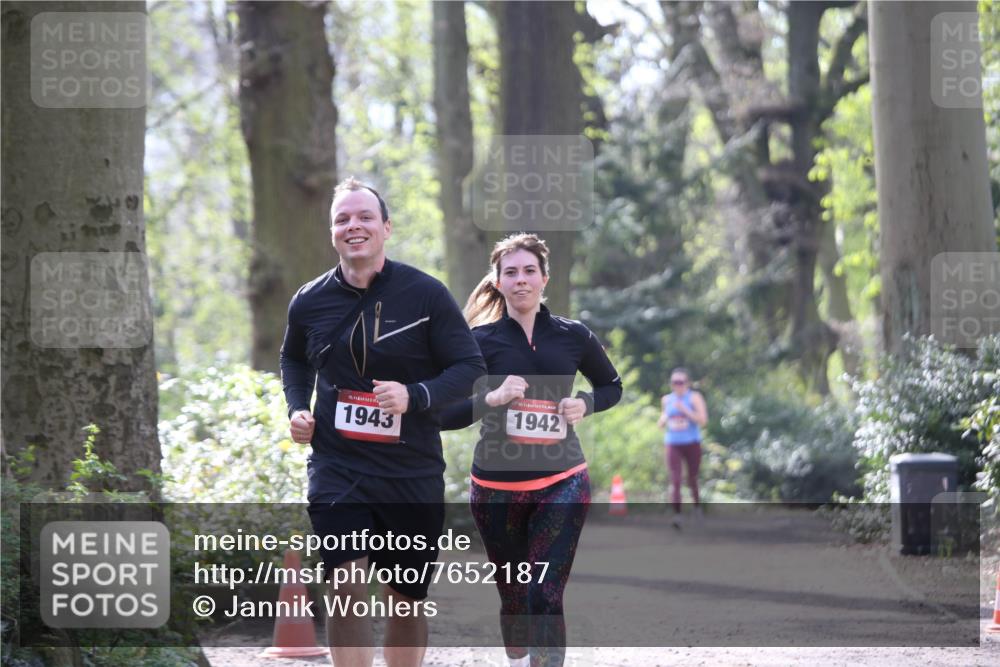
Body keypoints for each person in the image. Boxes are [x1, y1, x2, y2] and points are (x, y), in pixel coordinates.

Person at [280, 177, 486, 667]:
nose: (353, 226)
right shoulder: (309, 300)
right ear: (332, 232)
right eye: (342, 219)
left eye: (364, 217)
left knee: (405, 597)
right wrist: (297, 407)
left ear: (386, 228)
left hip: (410, 469)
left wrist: (415, 395)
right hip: (338, 466)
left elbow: (470, 368)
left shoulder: (426, 295)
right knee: (345, 583)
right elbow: (293, 359)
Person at [441, 233, 622, 667]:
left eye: (528, 271)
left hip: (563, 480)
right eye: (511, 272)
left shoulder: (573, 336)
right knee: (515, 595)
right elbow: (443, 414)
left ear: (544, 278)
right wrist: (492, 397)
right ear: (498, 282)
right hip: (495, 488)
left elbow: (611, 386)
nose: (520, 279)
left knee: (545, 592)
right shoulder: (478, 341)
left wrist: (586, 403)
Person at [657, 367, 708, 527]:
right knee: (675, 479)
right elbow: (662, 421)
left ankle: (697, 507)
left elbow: (703, 420)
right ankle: (677, 515)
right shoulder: (667, 399)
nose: (677, 385)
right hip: (673, 443)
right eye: (674, 382)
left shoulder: (694, 397)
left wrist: (685, 410)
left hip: (692, 443)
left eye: (680, 382)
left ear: (687, 383)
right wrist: (663, 419)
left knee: (692, 478)